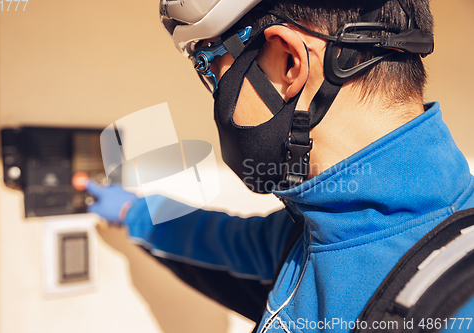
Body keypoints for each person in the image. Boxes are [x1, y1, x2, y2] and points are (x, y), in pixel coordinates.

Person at [87, 0, 474, 332]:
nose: (216, 95)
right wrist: (130, 211)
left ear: (288, 62)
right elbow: (216, 242)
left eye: (209, 68)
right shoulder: (313, 234)